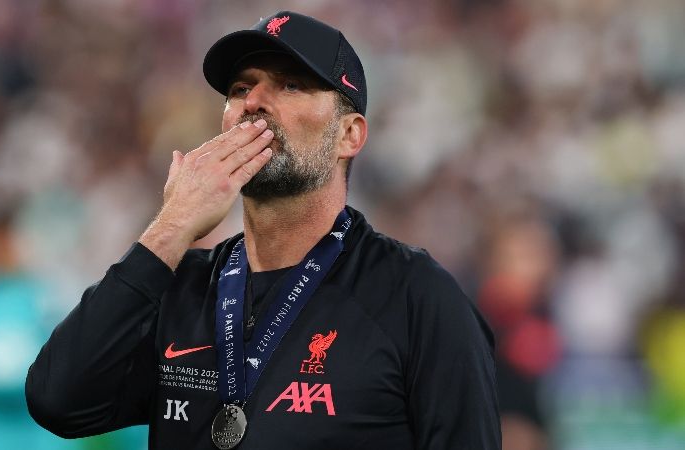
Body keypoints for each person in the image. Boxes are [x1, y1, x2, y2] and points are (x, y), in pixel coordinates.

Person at [25, 10, 501, 450]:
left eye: (291, 85)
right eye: (239, 89)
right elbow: (57, 400)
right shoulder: (181, 286)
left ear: (350, 134)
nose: (254, 102)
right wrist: (170, 228)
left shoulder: (416, 296)